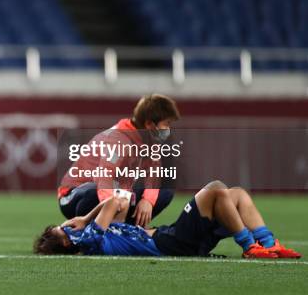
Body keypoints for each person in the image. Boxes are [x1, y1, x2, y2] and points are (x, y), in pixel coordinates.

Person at [35, 181, 301, 259]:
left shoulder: (96, 236)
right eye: (62, 229)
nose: (67, 225)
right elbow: (115, 201)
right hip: (169, 242)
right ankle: (250, 247)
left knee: (236, 194)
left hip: (173, 238)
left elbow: (118, 201)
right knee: (215, 190)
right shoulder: (91, 238)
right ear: (67, 241)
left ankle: (267, 244)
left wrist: (83, 216)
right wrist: (86, 219)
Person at [58, 94, 180, 227]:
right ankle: (102, 229)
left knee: (165, 191)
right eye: (166, 124)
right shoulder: (118, 140)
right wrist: (112, 206)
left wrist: (148, 201)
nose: (168, 129)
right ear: (149, 124)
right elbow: (104, 176)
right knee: (100, 191)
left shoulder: (150, 142)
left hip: (111, 191)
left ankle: (126, 231)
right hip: (72, 196)